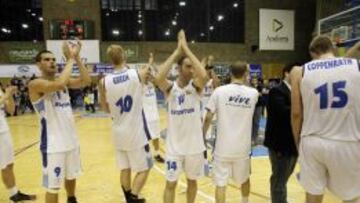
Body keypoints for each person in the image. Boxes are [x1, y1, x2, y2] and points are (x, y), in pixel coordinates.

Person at [291, 35, 360, 203]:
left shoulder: (299, 71)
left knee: (313, 197)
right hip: (347, 140)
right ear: (333, 48)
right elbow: (342, 64)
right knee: (351, 197)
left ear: (312, 53)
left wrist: (298, 142)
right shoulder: (355, 66)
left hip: (312, 141)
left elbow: (296, 114)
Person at [29, 40, 91, 203]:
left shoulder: (63, 81)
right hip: (52, 145)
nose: (52, 62)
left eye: (53, 59)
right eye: (47, 60)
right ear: (38, 65)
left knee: (71, 176)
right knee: (53, 187)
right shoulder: (35, 84)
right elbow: (59, 84)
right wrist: (70, 58)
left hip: (71, 141)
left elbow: (86, 81)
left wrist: (77, 58)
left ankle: (71, 199)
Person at [155, 30, 208, 203]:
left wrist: (187, 49)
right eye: (188, 66)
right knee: (171, 184)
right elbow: (158, 77)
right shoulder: (171, 89)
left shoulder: (196, 87)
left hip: (194, 148)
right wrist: (178, 52)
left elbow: (204, 75)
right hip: (174, 149)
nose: (192, 69)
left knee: (192, 182)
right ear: (178, 69)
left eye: (193, 66)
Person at [99, 44, 153, 203]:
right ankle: (133, 196)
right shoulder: (136, 74)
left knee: (125, 168)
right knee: (146, 167)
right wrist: (150, 61)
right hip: (135, 131)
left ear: (110, 59)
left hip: (118, 130)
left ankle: (127, 196)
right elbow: (148, 71)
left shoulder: (103, 81)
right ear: (124, 56)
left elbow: (105, 108)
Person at [203, 61, 258, 203]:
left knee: (221, 184)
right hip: (242, 149)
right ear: (246, 74)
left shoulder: (219, 91)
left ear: (230, 73)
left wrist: (202, 136)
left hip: (222, 148)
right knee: (245, 179)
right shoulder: (253, 93)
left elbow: (208, 116)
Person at [264, 63, 299, 203]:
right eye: (297, 73)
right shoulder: (277, 91)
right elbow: (283, 113)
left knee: (284, 177)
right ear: (286, 73)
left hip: (293, 143)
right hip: (280, 144)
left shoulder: (297, 91)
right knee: (279, 178)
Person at [0, 85, 36, 202]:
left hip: (4, 130)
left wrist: (9, 95)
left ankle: (14, 194)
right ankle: (14, 195)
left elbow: (11, 110)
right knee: (4, 165)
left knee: (9, 164)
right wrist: (6, 95)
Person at [142, 53, 165, 163]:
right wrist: (150, 61)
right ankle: (145, 155)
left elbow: (160, 77)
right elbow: (144, 73)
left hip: (154, 115)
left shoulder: (152, 84)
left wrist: (153, 67)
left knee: (156, 136)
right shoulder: (139, 85)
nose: (148, 74)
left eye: (148, 73)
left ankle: (156, 154)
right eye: (146, 73)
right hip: (145, 117)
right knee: (145, 138)